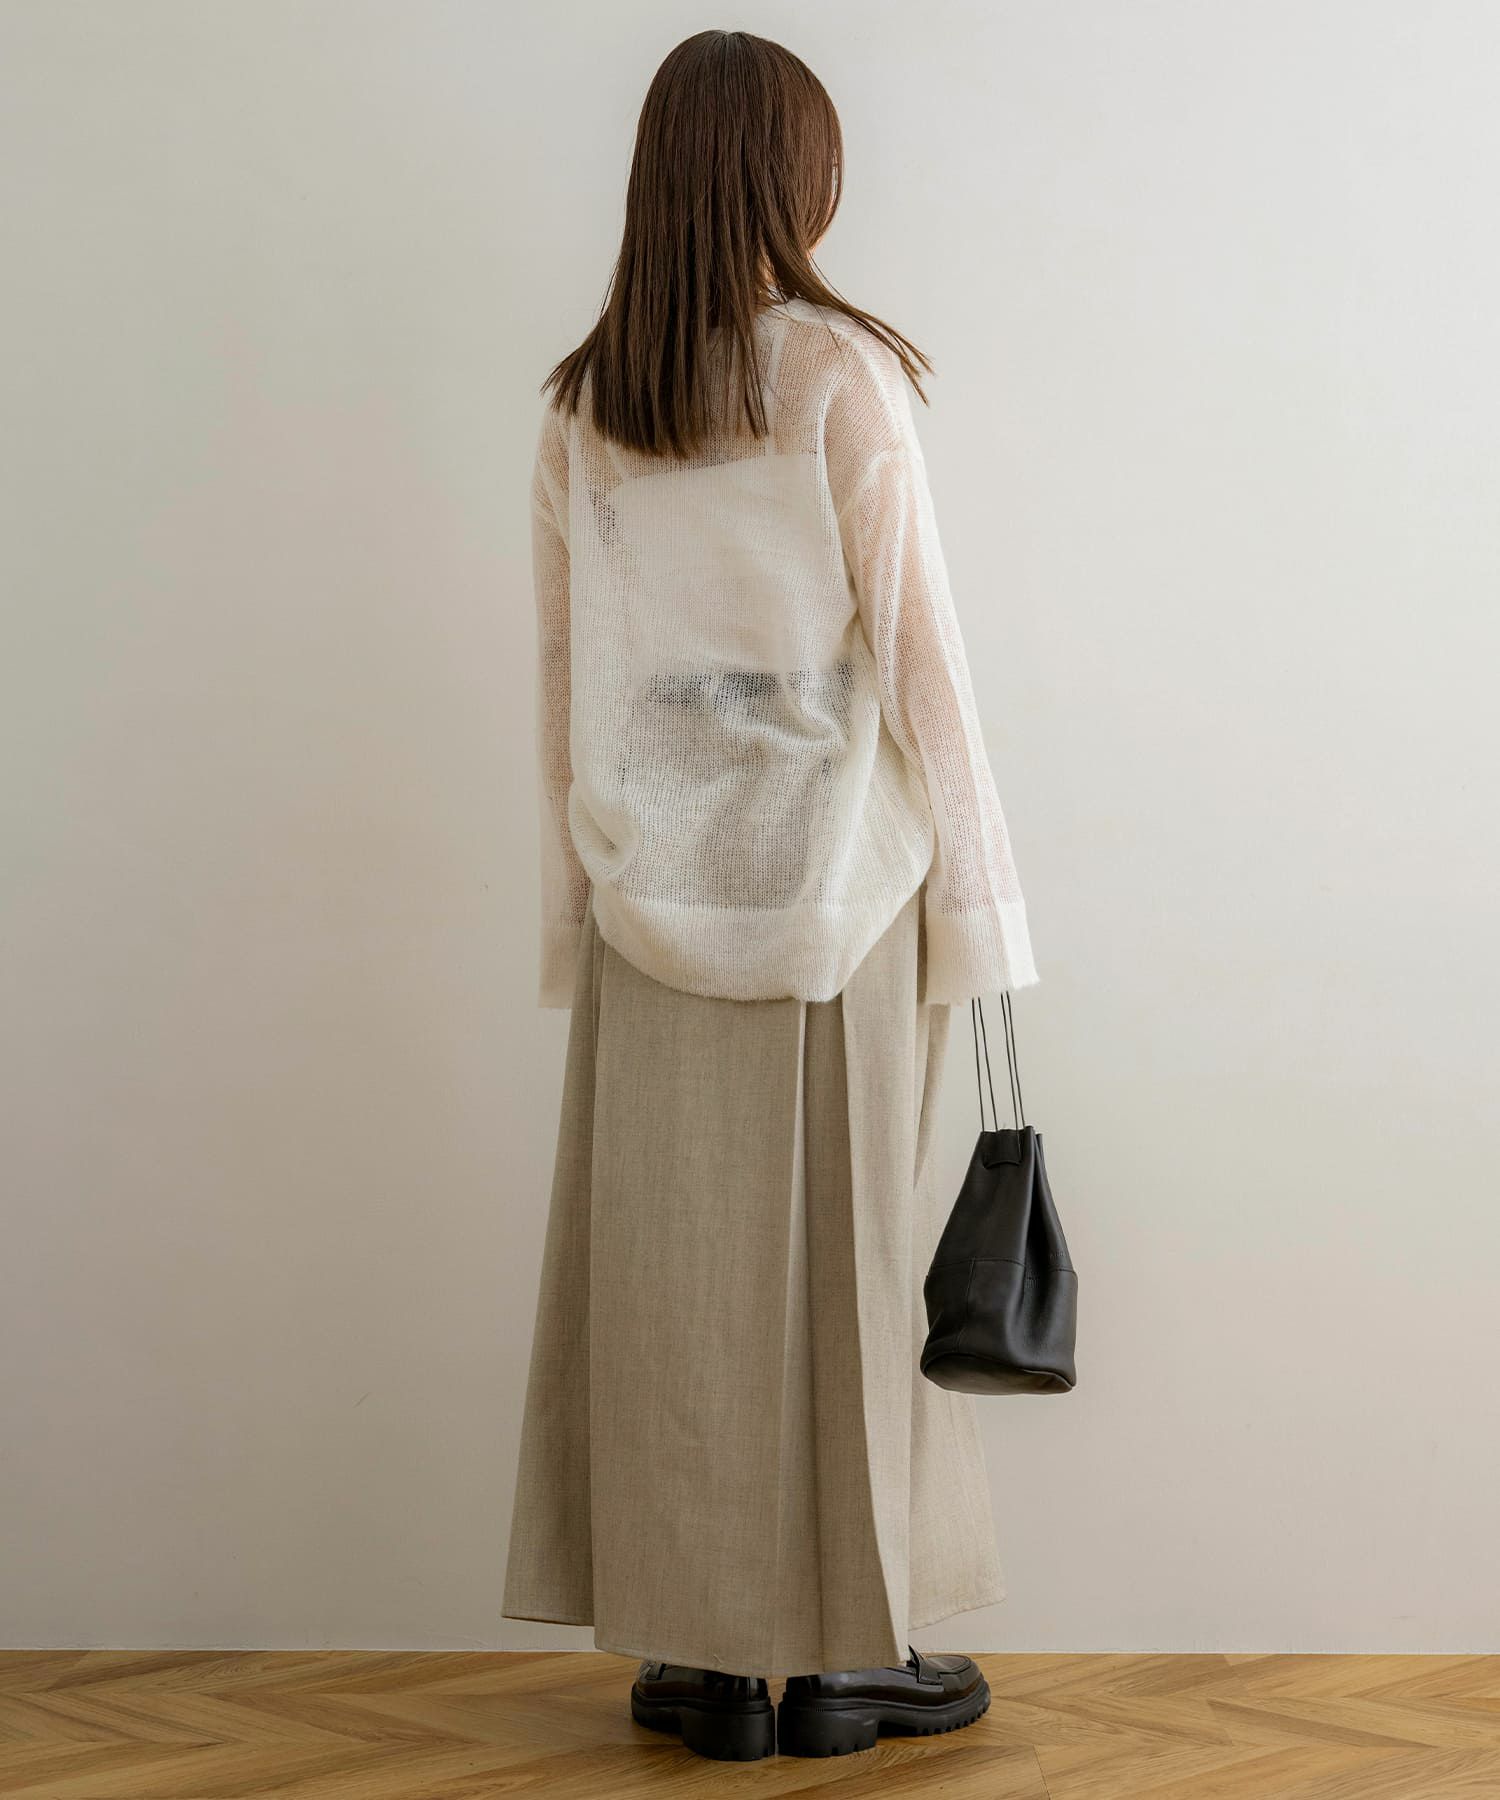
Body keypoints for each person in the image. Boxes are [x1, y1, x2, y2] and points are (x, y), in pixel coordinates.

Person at [502, 27, 1039, 1764]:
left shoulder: (587, 403)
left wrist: (571, 914)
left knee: (671, 1283)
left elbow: (569, 683)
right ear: (793, 178)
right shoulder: (836, 376)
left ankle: (710, 1665)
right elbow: (925, 660)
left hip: (650, 884)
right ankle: (842, 1666)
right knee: (847, 1276)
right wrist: (990, 913)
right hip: (838, 899)